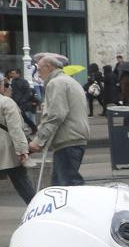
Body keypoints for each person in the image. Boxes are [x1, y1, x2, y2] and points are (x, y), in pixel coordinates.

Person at [26, 53, 88, 186]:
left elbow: (55, 115)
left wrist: (39, 141)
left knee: (66, 184)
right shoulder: (68, 81)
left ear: (49, 67)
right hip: (74, 137)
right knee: (64, 183)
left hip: (67, 139)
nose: (38, 74)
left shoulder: (56, 83)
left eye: (39, 70)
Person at [0, 85, 32, 203]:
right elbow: (15, 128)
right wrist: (22, 150)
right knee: (22, 182)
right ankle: (36, 208)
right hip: (7, 150)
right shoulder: (6, 102)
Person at [7, 69, 36, 136]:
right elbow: (13, 92)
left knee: (23, 117)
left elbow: (28, 93)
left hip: (22, 103)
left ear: (18, 74)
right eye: (11, 73)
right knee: (20, 117)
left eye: (13, 73)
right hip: (15, 102)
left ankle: (33, 128)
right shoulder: (13, 81)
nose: (12, 75)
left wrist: (23, 101)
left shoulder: (24, 82)